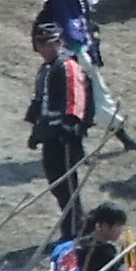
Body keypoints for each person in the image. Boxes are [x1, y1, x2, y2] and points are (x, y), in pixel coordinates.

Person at [25, 22, 93, 236]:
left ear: (58, 43)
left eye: (49, 43)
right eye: (41, 43)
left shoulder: (67, 66)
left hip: (64, 138)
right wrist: (36, 130)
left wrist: (70, 128)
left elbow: (75, 100)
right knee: (56, 184)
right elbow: (40, 100)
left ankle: (75, 229)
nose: (45, 48)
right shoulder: (45, 69)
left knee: (67, 187)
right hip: (49, 136)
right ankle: (73, 226)